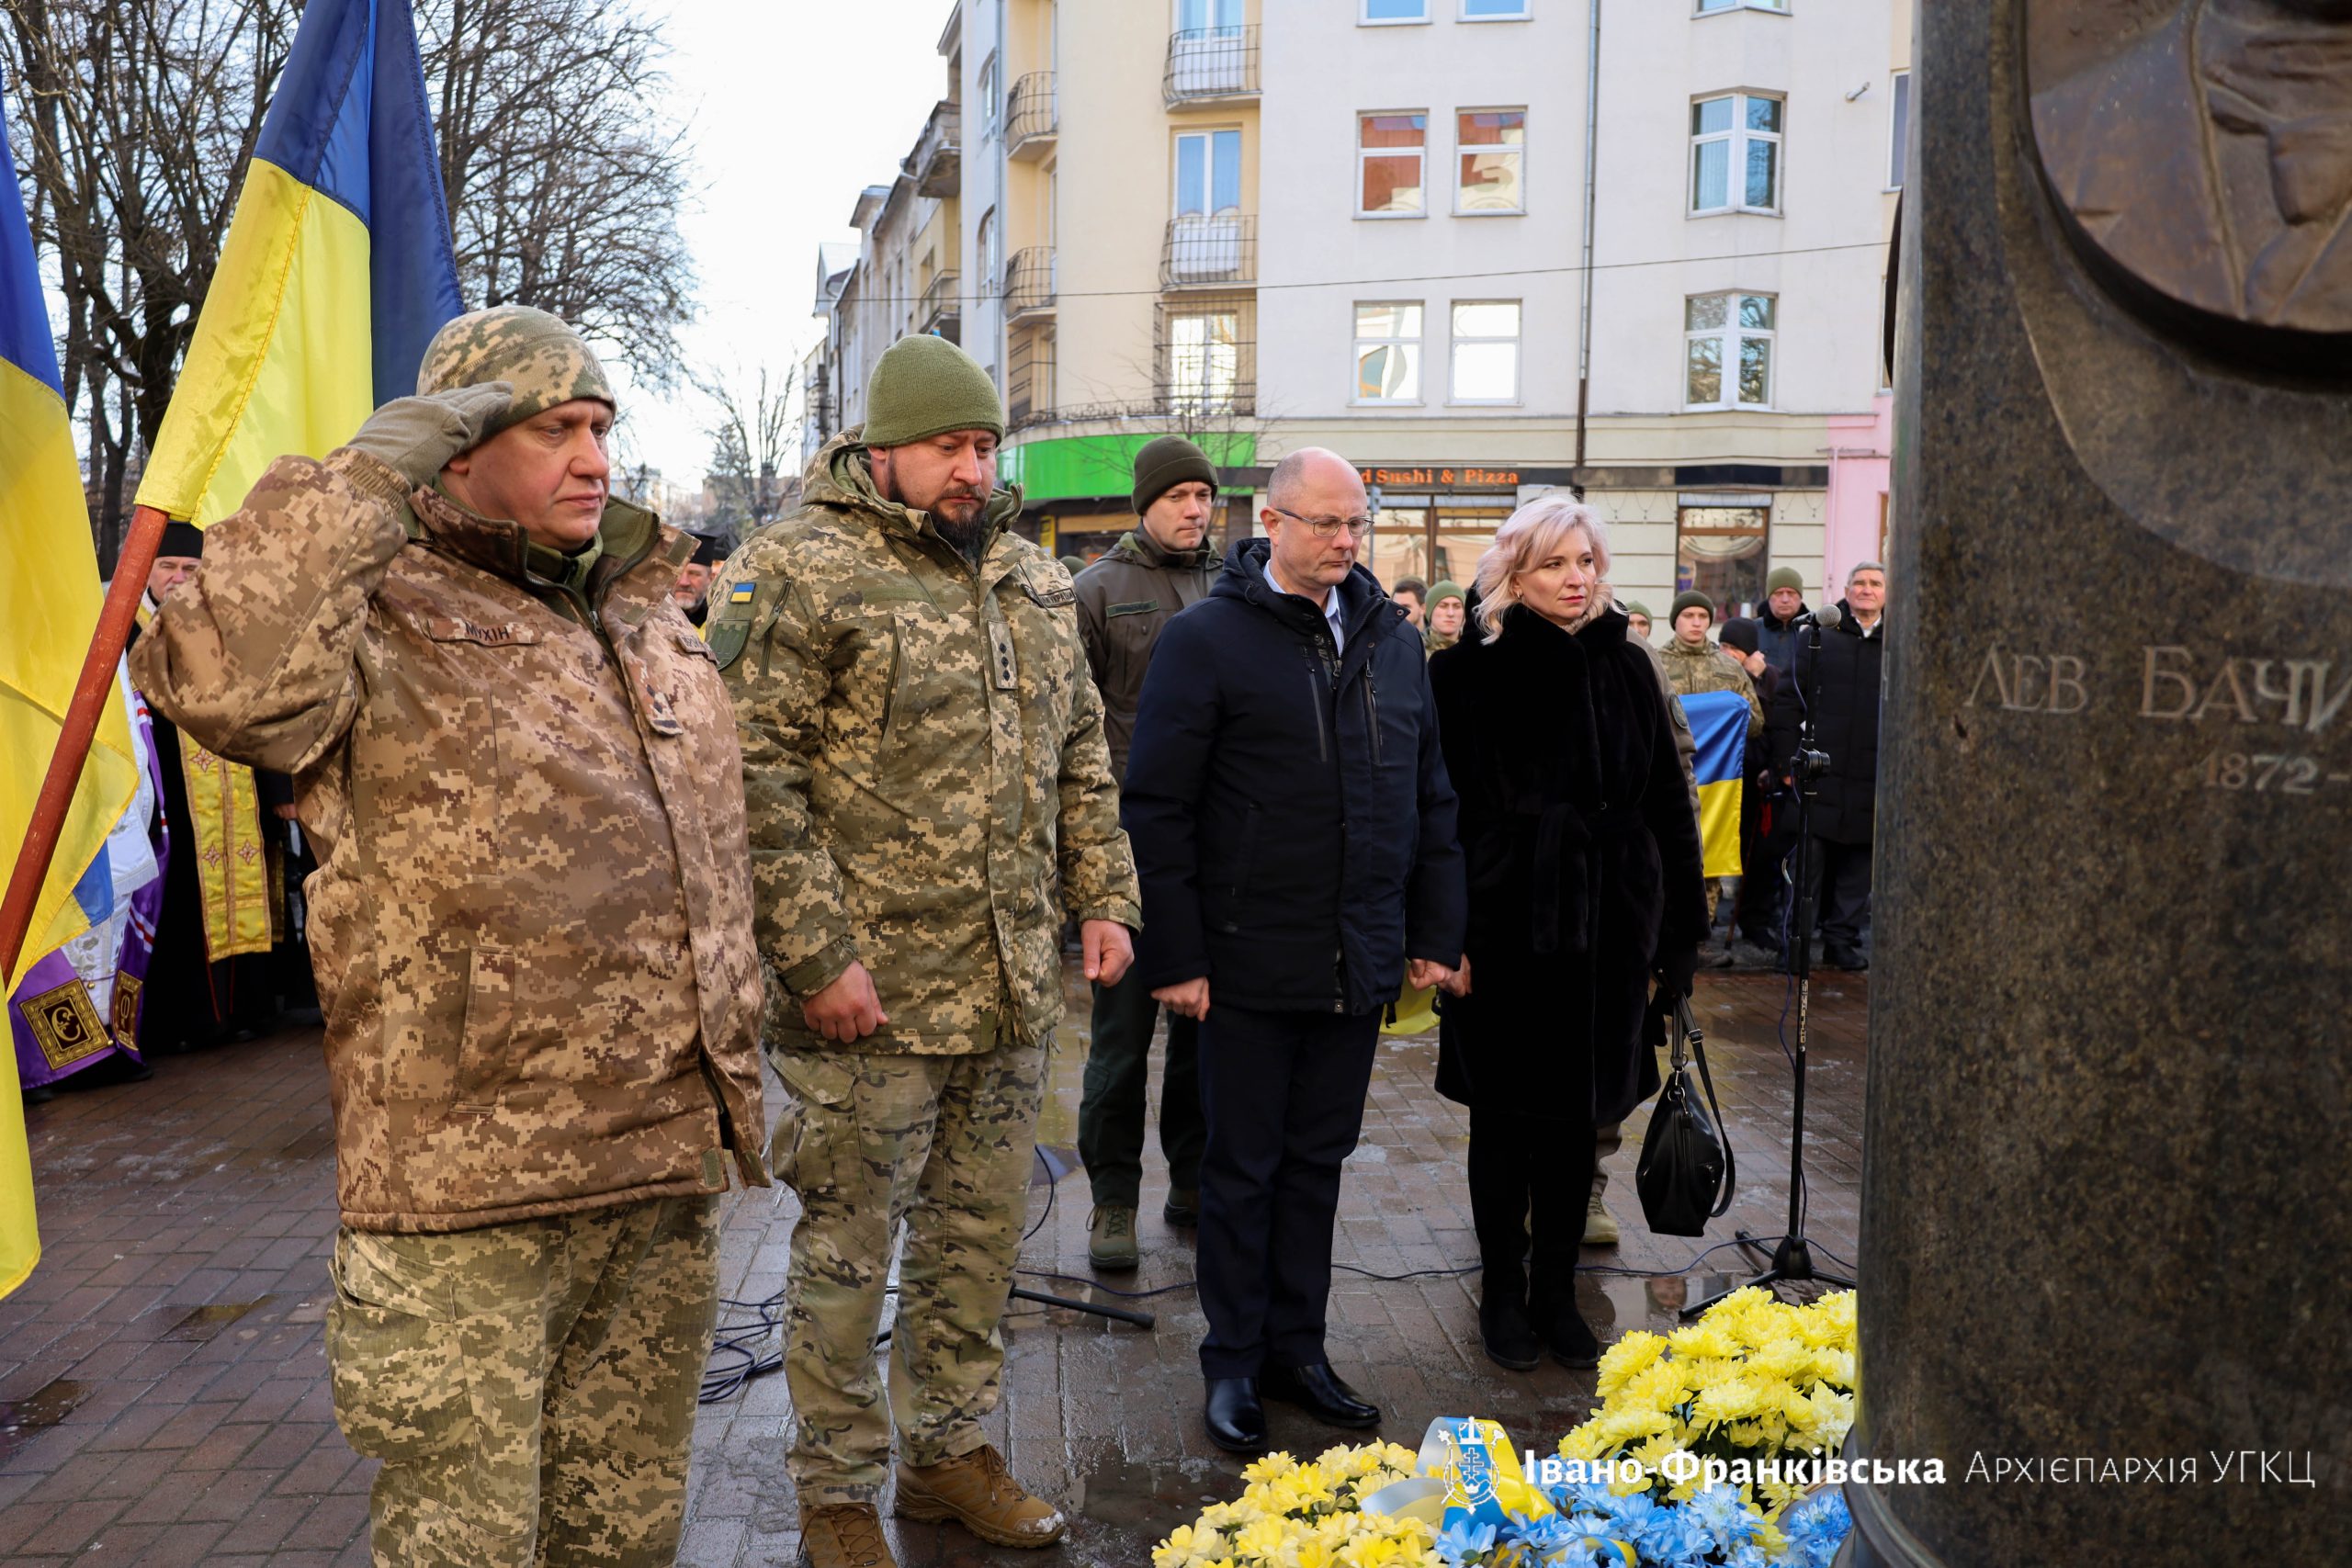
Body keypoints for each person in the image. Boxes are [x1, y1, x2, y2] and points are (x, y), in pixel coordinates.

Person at [129, 305, 770, 1567]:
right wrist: (361, 481)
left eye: (601, 428)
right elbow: (225, 685)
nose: (593, 459)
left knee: (625, 1537)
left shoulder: (641, 614)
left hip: (657, 1168)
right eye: (555, 429)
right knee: (464, 1545)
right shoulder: (374, 607)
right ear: (457, 449)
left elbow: (714, 855)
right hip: (467, 1189)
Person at [709, 333, 1139, 1568]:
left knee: (976, 1241)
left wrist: (1104, 895)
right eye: (949, 445)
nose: (972, 468)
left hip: (1006, 989)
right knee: (847, 1255)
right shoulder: (797, 568)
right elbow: (750, 778)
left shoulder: (1030, 578)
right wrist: (816, 958)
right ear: (884, 448)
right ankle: (836, 1492)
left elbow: (1080, 754)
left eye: (985, 445)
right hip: (867, 1000)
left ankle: (947, 1454)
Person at [1122, 447, 1464, 1456]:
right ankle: (1231, 1359)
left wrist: (1434, 931)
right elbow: (1158, 806)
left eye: (1358, 524)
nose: (1347, 541)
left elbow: (1430, 794)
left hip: (1356, 956)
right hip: (1245, 957)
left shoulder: (1393, 641)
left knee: (1318, 1164)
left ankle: (1296, 1350)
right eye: (1327, 523)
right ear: (1270, 523)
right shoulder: (1206, 638)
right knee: (1242, 1171)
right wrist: (1175, 955)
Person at [1428, 498, 1705, 1374]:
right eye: (1554, 563)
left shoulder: (1628, 665)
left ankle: (1555, 1289)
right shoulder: (1464, 673)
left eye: (1585, 561)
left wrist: (1678, 932)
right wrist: (1446, 933)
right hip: (1506, 922)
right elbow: (1440, 816)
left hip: (1614, 924)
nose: (1576, 578)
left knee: (1580, 1121)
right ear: (1514, 574)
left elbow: (1669, 804)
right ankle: (1501, 1290)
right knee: (1505, 1120)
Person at [1070, 434, 1219, 1270]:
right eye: (1178, 497)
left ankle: (1192, 1182)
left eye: (1204, 496)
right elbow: (1072, 728)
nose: (1194, 510)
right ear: (1145, 505)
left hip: (1213, 849)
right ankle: (1113, 1200)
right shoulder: (1097, 590)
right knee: (1122, 1042)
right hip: (1126, 851)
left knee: (1204, 1032)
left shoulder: (1235, 584)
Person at [129, 522, 286, 1051]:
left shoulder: (228, 628)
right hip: (168, 795)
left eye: (190, 568)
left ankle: (243, 1011)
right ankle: (186, 1022)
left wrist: (278, 788)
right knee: (180, 903)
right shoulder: (125, 632)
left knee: (241, 889)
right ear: (146, 572)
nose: (178, 577)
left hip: (235, 790)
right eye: (167, 567)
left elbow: (260, 709)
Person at [1768, 562, 1885, 971]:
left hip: (1872, 776)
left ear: (1887, 593)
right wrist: (1787, 763)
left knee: (1857, 870)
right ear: (1847, 591)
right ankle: (1794, 945)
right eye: (1860, 583)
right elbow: (1788, 700)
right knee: (1806, 871)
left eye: (1875, 583)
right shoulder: (1818, 636)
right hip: (1819, 775)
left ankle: (1841, 942)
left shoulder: (1900, 642)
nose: (1867, 589)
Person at [1659, 591, 1762, 965]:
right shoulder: (1653, 662)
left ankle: (1699, 941)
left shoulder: (1729, 668)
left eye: (1703, 615)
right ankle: (1658, 937)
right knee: (1664, 855)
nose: (1696, 622)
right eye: (1688, 615)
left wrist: (1728, 715)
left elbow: (1755, 722)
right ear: (1675, 619)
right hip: (1665, 779)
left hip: (1715, 780)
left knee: (1708, 856)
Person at [1717, 617, 1786, 969]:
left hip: (1757, 780)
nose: (1728, 654)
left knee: (1759, 856)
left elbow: (1772, 723)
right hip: (1724, 777)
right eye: (1724, 647)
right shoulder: (1719, 673)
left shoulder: (1770, 678)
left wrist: (1773, 771)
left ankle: (1755, 919)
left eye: (1735, 649)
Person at [1756, 566, 1809, 679]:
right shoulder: (1752, 630)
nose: (1785, 599)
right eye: (1778, 593)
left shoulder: (1814, 632)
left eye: (1791, 593)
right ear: (1769, 597)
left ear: (1800, 597)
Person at [671, 531, 726, 624]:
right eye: (677, 573)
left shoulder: (721, 621)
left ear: (711, 579)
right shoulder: (650, 618)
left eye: (694, 574)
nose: (684, 582)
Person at [1423, 581, 1467, 656]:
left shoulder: (1475, 650)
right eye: (1443, 606)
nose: (1450, 613)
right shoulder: (1416, 648)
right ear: (1429, 610)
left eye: (1457, 606)